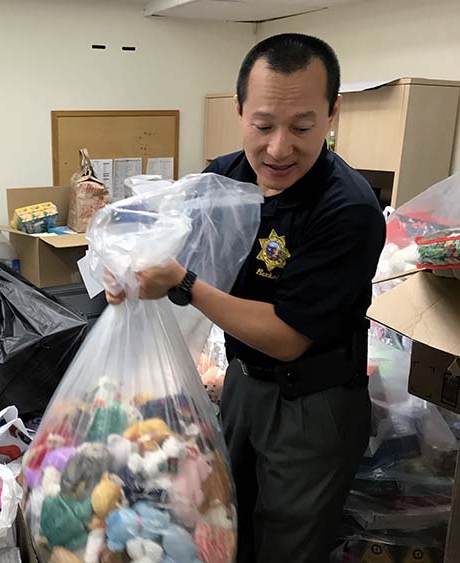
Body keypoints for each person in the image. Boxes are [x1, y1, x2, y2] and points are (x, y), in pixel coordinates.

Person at [106, 33, 386, 563]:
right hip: (241, 384)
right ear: (239, 111)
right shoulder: (224, 176)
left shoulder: (347, 208)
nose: (279, 148)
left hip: (313, 403)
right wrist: (122, 266)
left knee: (287, 543)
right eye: (262, 126)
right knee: (219, 523)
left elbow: (285, 338)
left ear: (332, 114)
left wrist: (184, 284)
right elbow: (163, 237)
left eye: (302, 127)